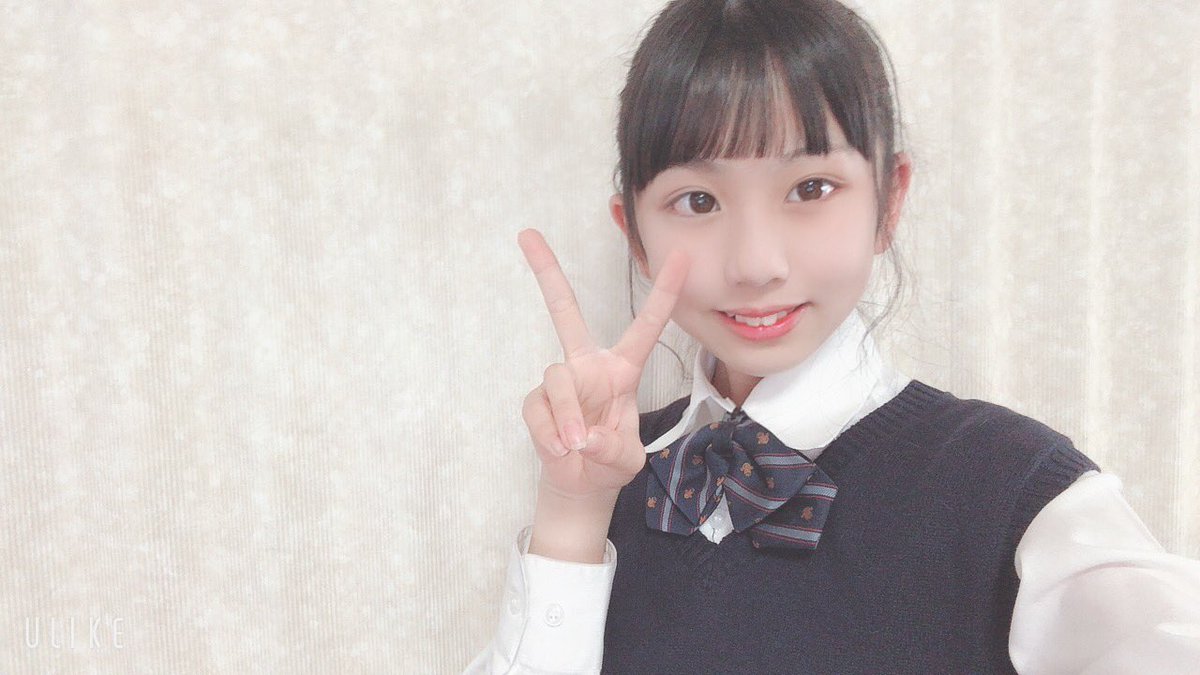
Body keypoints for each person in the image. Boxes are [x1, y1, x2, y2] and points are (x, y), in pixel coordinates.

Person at [464, 0, 1200, 672]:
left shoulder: (1009, 485)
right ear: (635, 236)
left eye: (810, 189)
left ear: (890, 200)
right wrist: (573, 511)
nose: (757, 263)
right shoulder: (612, 473)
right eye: (698, 200)